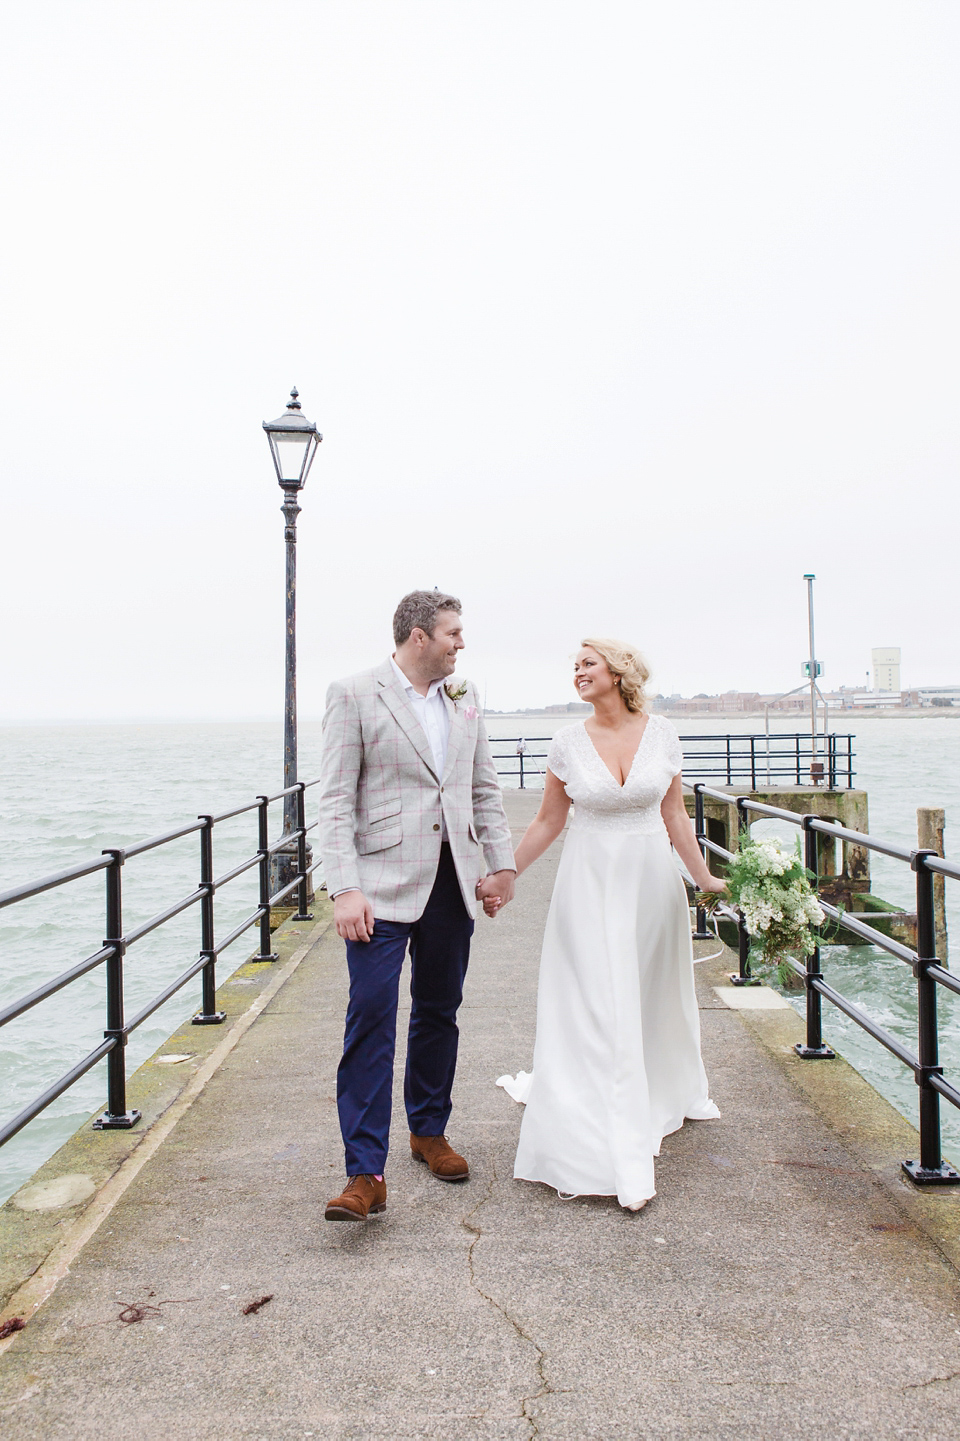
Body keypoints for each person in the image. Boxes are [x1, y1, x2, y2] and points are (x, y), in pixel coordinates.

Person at [493, 638, 725, 1212]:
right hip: (589, 885)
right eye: (573, 666)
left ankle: (658, 1088)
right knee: (596, 999)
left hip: (652, 885)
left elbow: (674, 814)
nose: (577, 673)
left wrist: (705, 879)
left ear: (619, 672)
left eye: (587, 664)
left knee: (648, 995)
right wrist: (506, 873)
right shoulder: (567, 741)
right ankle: (597, 1119)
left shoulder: (663, 732)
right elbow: (550, 820)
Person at [318, 590, 517, 1222]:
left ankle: (428, 1131)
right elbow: (334, 800)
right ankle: (364, 1173)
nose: (462, 643)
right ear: (419, 636)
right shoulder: (353, 694)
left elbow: (481, 787)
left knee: (439, 1011)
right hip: (377, 887)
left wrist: (501, 865)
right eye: (454, 632)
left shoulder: (466, 697)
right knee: (371, 1016)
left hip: (452, 881)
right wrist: (343, 887)